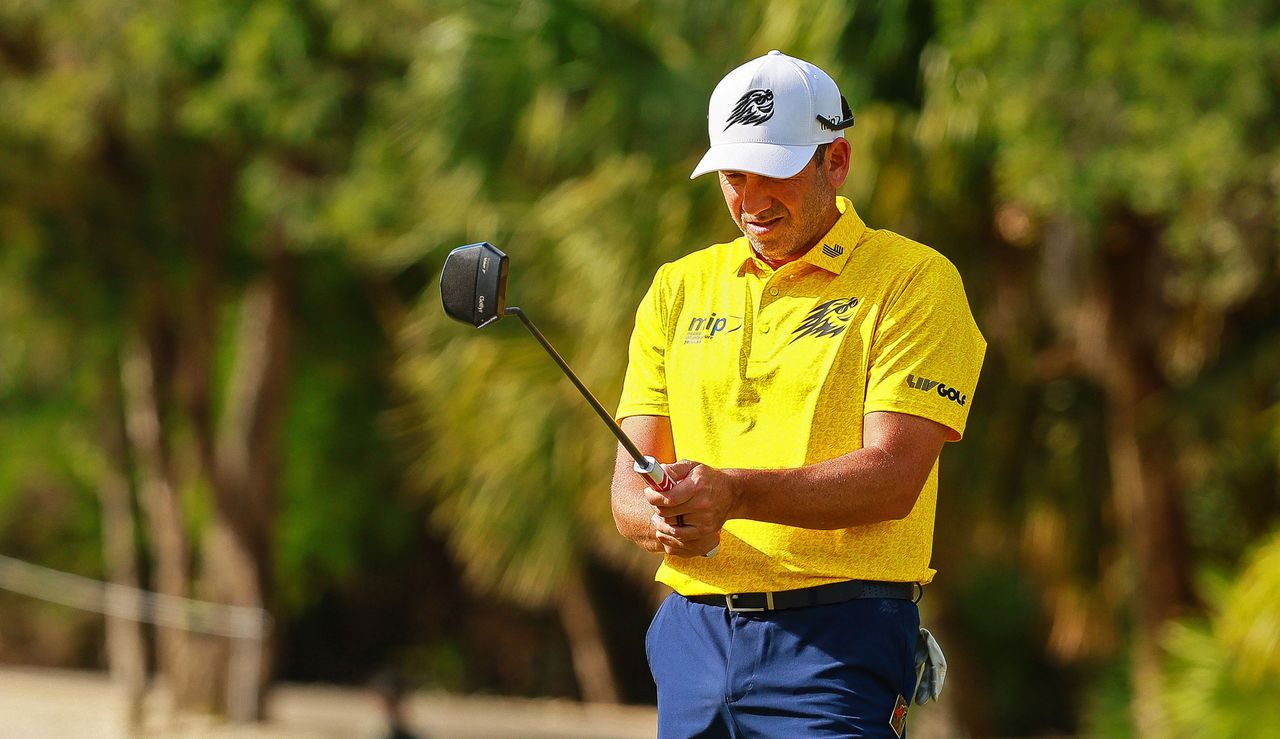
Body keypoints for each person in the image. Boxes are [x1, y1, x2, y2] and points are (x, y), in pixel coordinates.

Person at [611, 50, 986, 738]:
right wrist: (662, 519)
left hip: (838, 636)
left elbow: (893, 479)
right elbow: (628, 489)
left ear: (835, 161)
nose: (751, 200)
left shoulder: (913, 282)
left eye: (775, 173)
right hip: (693, 634)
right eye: (732, 175)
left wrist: (735, 493)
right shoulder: (678, 285)